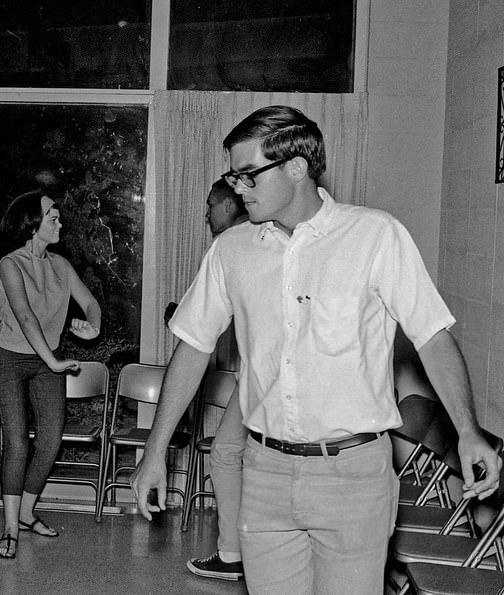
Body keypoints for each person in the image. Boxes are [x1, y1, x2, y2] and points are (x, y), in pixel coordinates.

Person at [131, 105, 501, 594]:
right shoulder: (231, 250)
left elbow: (433, 337)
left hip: (354, 474)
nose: (237, 189)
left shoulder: (375, 235)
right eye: (233, 177)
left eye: (247, 175)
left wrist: (468, 432)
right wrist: (154, 450)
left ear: (296, 167)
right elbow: (193, 348)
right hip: (264, 472)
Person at [0, 191, 101, 559]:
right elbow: (24, 316)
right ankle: (8, 528)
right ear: (32, 223)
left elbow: (90, 303)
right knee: (18, 442)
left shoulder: (61, 266)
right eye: (53, 217)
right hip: (9, 359)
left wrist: (92, 327)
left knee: (50, 441)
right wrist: (53, 361)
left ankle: (25, 512)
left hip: (46, 361)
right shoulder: (10, 264)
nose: (60, 223)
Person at [184, 179, 250, 582]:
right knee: (230, 453)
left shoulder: (237, 242)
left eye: (211, 205)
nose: (207, 213)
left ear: (227, 205)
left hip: (268, 378)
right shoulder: (238, 245)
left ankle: (235, 553)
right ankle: (236, 551)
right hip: (260, 376)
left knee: (229, 453)